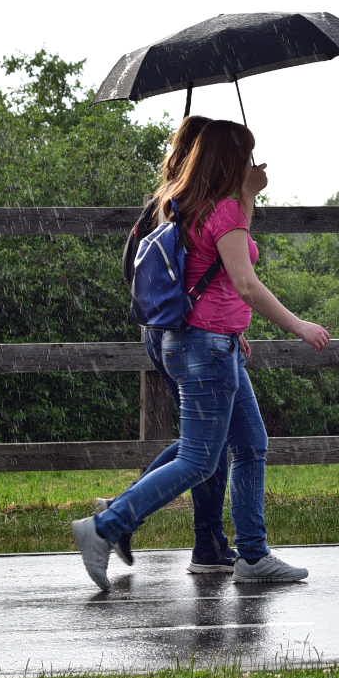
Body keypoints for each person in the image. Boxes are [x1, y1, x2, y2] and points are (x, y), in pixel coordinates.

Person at [73, 119, 331, 588]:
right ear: (231, 159)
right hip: (206, 348)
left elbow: (209, 269)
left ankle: (252, 556)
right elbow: (245, 282)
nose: (253, 163)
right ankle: (105, 526)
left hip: (212, 343)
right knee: (198, 459)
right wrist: (298, 325)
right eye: (246, 154)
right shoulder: (225, 209)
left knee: (251, 445)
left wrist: (246, 197)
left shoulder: (188, 203)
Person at [103, 115, 242, 573]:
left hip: (163, 328)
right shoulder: (189, 202)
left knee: (205, 444)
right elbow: (223, 270)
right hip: (187, 330)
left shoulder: (163, 199)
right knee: (202, 449)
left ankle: (206, 541)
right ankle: (124, 515)